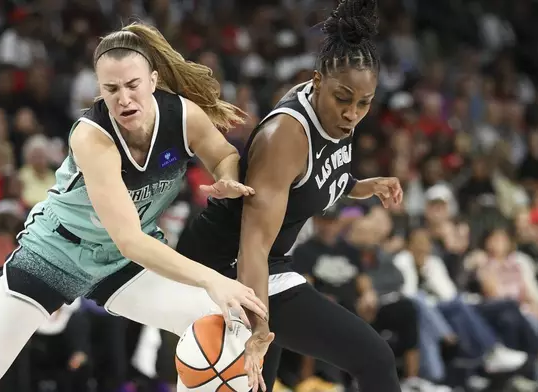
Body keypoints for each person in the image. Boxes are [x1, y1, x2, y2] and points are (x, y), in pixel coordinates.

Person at [55, 1, 401, 391]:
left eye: (364, 103)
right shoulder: (284, 139)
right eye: (344, 99)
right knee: (374, 358)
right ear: (317, 82)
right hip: (231, 265)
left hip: (268, 263)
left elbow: (317, 177)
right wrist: (259, 328)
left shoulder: (336, 113)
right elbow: (253, 244)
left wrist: (360, 185)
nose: (353, 112)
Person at [0, 23, 269, 392]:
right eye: (111, 89)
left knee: (223, 325)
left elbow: (225, 153)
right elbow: (131, 240)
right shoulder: (92, 136)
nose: (124, 99)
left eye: (132, 86)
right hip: (55, 253)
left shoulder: (183, 116)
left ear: (152, 80)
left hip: (119, 264)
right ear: (98, 89)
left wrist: (226, 176)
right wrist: (213, 279)